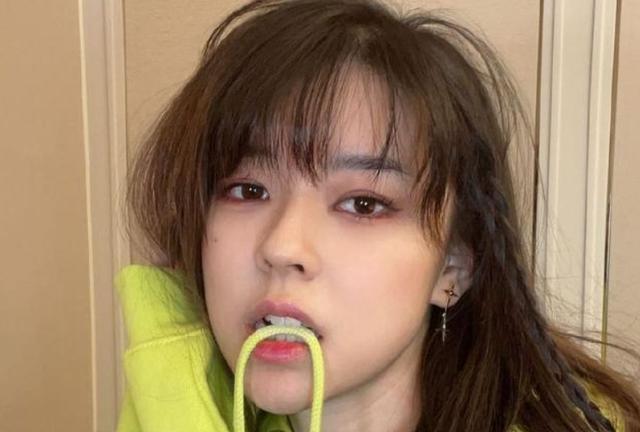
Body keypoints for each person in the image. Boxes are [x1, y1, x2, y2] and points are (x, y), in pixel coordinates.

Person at [117, 0, 640, 430]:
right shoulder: (164, 406)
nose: (281, 246)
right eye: (248, 190)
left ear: (453, 267)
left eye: (363, 204)